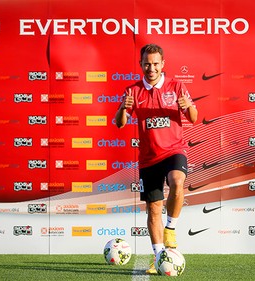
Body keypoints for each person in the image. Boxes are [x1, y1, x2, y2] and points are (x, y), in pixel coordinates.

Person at [115, 43, 198, 274]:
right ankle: (160, 256)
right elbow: (120, 123)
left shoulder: (177, 86)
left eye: (155, 63)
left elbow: (194, 117)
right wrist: (123, 107)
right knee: (153, 209)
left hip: (174, 150)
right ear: (141, 64)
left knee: (177, 181)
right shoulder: (132, 91)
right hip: (148, 158)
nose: (151, 68)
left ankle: (171, 228)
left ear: (163, 64)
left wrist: (187, 106)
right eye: (147, 64)